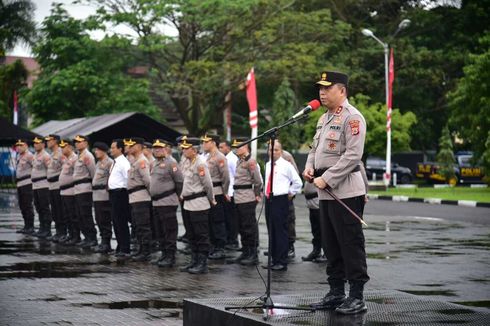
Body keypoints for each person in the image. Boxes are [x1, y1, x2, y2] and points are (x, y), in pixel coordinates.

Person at [304, 71, 369, 314]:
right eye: (320, 88)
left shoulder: (353, 118)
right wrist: (310, 167)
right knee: (330, 244)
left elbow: (353, 156)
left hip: (346, 192)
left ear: (341, 90)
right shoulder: (324, 119)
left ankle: (357, 296)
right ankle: (335, 292)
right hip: (325, 192)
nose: (321, 92)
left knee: (350, 244)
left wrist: (327, 178)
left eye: (327, 88)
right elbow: (314, 148)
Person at [263, 140, 302, 271]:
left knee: (280, 231)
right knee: (271, 230)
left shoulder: (286, 165)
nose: (273, 152)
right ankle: (274, 259)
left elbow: (297, 182)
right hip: (269, 199)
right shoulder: (268, 165)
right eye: (271, 150)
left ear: (281, 151)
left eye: (276, 150)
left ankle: (281, 260)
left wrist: (291, 192)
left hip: (281, 199)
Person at [178, 137, 215, 274]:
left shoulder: (200, 164)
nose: (183, 150)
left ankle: (202, 262)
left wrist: (211, 199)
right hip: (188, 203)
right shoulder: (188, 162)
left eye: (186, 148)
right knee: (192, 235)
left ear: (194, 150)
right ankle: (194, 260)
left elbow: (208, 184)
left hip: (198, 203)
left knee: (201, 234)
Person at [149, 139, 183, 267]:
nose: (157, 150)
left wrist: (178, 196)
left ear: (166, 149)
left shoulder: (171, 163)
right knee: (160, 230)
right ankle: (164, 253)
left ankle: (170, 255)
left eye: (160, 148)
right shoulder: (154, 163)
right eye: (155, 148)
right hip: (157, 202)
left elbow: (179, 181)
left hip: (168, 201)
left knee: (169, 230)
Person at [229, 138, 263, 266]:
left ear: (245, 147)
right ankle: (245, 251)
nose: (236, 149)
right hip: (238, 197)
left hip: (247, 198)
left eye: (238, 147)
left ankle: (253, 254)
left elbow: (257, 181)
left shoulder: (250, 161)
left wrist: (256, 194)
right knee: (241, 226)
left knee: (249, 227)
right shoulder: (240, 161)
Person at [201, 134, 229, 260]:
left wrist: (224, 192)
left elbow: (226, 177)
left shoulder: (220, 157)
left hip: (217, 192)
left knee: (218, 221)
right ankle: (212, 245)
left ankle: (220, 248)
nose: (203, 144)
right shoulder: (207, 157)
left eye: (206, 142)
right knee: (210, 221)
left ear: (213, 143)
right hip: (208, 193)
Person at [126, 137, 153, 262]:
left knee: (143, 226)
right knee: (138, 225)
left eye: (132, 145)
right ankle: (141, 249)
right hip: (134, 197)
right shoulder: (135, 161)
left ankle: (146, 251)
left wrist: (150, 195)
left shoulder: (142, 161)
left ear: (139, 147)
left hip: (141, 197)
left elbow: (147, 181)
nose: (129, 147)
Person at [108, 139, 132, 259]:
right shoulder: (115, 162)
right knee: (116, 222)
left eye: (113, 148)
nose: (111, 150)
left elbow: (128, 179)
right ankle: (119, 246)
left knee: (121, 222)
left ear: (120, 149)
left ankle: (125, 248)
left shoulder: (123, 162)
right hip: (113, 194)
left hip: (120, 194)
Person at [73, 135, 98, 248]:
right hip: (77, 189)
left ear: (86, 143)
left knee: (86, 214)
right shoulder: (79, 156)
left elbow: (93, 173)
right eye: (76, 142)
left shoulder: (88, 156)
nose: (77, 143)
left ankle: (92, 238)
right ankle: (86, 237)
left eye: (79, 142)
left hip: (85, 189)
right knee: (79, 215)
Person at [92, 142, 114, 253]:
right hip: (96, 196)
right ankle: (103, 242)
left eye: (97, 150)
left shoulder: (109, 162)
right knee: (99, 219)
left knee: (105, 220)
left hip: (104, 196)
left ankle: (106, 243)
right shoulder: (98, 163)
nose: (95, 152)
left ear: (103, 151)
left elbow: (111, 180)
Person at [218, 140, 240, 250]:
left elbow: (236, 176)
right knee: (226, 217)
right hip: (226, 192)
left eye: (222, 147)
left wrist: (230, 192)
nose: (220, 149)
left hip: (231, 193)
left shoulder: (232, 159)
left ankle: (233, 240)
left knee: (231, 218)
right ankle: (229, 238)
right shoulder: (225, 158)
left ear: (228, 147)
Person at [31, 136, 52, 238]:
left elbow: (50, 170)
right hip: (35, 185)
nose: (35, 145)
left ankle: (47, 229)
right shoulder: (35, 155)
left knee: (44, 207)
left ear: (43, 144)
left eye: (38, 143)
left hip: (43, 184)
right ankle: (41, 227)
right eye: (34, 143)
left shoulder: (46, 156)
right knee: (38, 207)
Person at [58, 140, 78, 245]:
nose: (61, 148)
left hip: (71, 191)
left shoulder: (75, 159)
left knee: (73, 215)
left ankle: (76, 236)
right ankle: (70, 235)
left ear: (70, 147)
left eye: (64, 146)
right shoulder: (66, 159)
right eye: (61, 147)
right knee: (67, 215)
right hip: (64, 191)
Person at [301, 180, 327, 263]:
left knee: (324, 230)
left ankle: (327, 254)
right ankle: (316, 251)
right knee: (315, 230)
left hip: (319, 203)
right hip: (312, 204)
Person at [45, 134, 64, 242]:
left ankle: (62, 232)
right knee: (55, 211)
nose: (47, 142)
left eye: (50, 140)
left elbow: (65, 169)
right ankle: (58, 231)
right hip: (51, 186)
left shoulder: (61, 153)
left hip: (58, 185)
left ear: (56, 141)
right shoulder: (52, 154)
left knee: (60, 210)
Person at [14, 139, 35, 234]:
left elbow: (36, 168)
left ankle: (30, 226)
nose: (19, 147)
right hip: (20, 183)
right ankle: (26, 226)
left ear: (26, 145)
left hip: (27, 183)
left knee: (27, 205)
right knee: (22, 205)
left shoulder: (29, 156)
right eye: (18, 145)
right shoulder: (19, 156)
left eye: (21, 145)